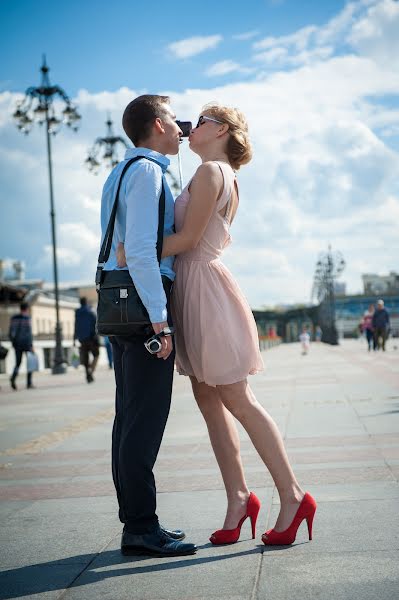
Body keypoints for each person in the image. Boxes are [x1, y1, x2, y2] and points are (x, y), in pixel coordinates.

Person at [118, 103, 316, 547]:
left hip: (203, 289)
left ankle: (292, 494)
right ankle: (239, 498)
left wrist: (136, 252)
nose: (191, 125)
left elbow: (188, 241)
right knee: (208, 397)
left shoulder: (211, 173)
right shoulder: (215, 173)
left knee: (236, 397)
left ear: (221, 130)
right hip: (195, 288)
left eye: (202, 120)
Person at [100, 95, 196, 557]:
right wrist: (160, 321)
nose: (182, 128)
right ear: (158, 125)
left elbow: (120, 248)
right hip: (144, 306)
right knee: (144, 419)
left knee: (130, 416)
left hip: (121, 304)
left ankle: (137, 521)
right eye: (176, 121)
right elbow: (140, 250)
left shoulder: (121, 171)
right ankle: (140, 526)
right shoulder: (148, 172)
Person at [9, 301, 34, 390]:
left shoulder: (14, 318)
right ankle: (29, 383)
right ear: (26, 309)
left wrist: (13, 342)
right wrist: (31, 345)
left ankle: (13, 378)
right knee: (30, 363)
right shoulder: (27, 318)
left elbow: (11, 332)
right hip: (26, 344)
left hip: (17, 344)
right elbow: (29, 334)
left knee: (18, 363)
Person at [74, 297, 99, 383]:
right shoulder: (90, 312)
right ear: (86, 302)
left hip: (82, 339)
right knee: (96, 355)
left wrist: (74, 339)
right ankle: (91, 372)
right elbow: (96, 324)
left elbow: (76, 325)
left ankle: (87, 374)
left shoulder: (77, 313)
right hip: (91, 338)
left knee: (85, 357)